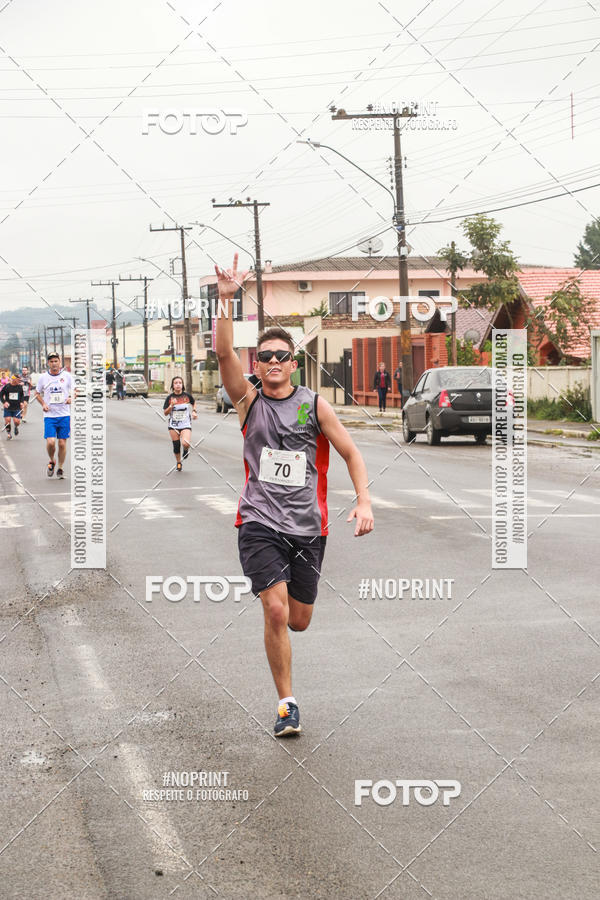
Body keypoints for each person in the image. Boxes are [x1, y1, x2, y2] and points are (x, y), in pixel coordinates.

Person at [215, 254, 374, 738]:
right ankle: (287, 704)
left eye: (283, 356)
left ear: (292, 363)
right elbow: (223, 356)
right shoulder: (247, 402)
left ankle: (286, 666)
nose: (274, 363)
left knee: (299, 620)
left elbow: (350, 453)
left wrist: (363, 500)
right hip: (259, 521)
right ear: (257, 366)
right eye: (265, 357)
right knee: (276, 609)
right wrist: (226, 303)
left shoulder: (315, 405)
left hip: (308, 527)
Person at [34, 353, 74, 478]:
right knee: (51, 442)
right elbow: (37, 393)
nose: (54, 363)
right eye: (51, 361)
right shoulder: (43, 377)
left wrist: (71, 398)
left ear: (59, 362)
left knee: (62, 443)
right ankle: (52, 460)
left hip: (64, 415)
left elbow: (75, 391)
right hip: (50, 415)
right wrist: (43, 404)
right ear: (48, 363)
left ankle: (60, 468)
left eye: (56, 361)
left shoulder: (67, 376)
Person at [162, 376, 197, 471]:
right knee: (176, 446)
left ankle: (186, 450)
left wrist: (194, 411)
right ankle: (178, 462)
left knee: (185, 443)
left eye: (180, 383)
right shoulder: (169, 398)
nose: (178, 385)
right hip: (173, 426)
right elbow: (165, 413)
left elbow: (193, 402)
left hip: (185, 424)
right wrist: (171, 406)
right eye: (176, 383)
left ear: (182, 385)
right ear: (173, 385)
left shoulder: (187, 396)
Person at [1, 374, 24, 439]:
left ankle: (16, 427)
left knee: (17, 422)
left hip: (16, 407)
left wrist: (22, 402)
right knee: (7, 421)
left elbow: (22, 395)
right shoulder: (7, 386)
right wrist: (4, 402)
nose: (19, 381)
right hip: (8, 407)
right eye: (18, 380)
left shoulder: (19, 387)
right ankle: (9, 434)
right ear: (14, 379)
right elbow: (1, 395)